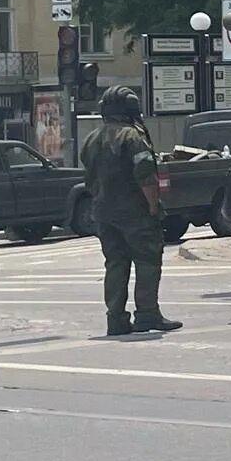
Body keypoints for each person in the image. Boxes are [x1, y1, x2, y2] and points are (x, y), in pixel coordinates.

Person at [81, 86, 181, 338]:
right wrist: (153, 206)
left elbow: (89, 178)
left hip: (103, 213)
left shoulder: (91, 139)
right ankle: (147, 314)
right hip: (134, 212)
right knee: (147, 262)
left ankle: (115, 319)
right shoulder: (132, 137)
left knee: (115, 263)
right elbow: (146, 177)